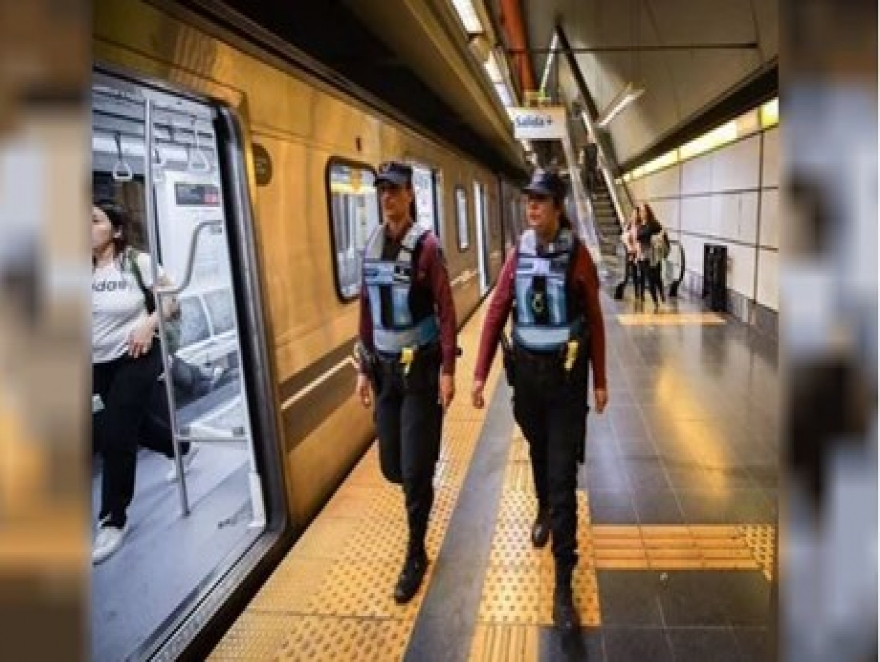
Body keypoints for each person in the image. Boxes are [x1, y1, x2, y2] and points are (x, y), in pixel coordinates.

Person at [470, 169, 608, 631]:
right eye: (529, 200)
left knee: (563, 473)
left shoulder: (578, 258)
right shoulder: (518, 256)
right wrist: (477, 373)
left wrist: (601, 380)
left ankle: (563, 584)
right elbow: (495, 312)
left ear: (558, 207)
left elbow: (595, 319)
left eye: (540, 201)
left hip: (567, 386)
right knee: (538, 450)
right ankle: (543, 506)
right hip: (528, 384)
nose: (531, 208)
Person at [354, 161, 457, 604]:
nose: (388, 197)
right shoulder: (373, 244)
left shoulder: (427, 247)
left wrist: (449, 370)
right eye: (382, 190)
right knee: (392, 466)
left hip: (420, 372)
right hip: (385, 372)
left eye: (395, 190)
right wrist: (362, 368)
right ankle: (417, 488)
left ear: (411, 194)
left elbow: (448, 310)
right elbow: (365, 309)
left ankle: (415, 551)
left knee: (415, 471)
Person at [91, 199, 197, 564]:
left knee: (116, 432)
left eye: (94, 221)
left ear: (116, 230)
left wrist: (147, 323)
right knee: (135, 427)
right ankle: (181, 449)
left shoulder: (136, 262)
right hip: (98, 363)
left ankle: (112, 519)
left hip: (138, 354)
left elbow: (169, 301)